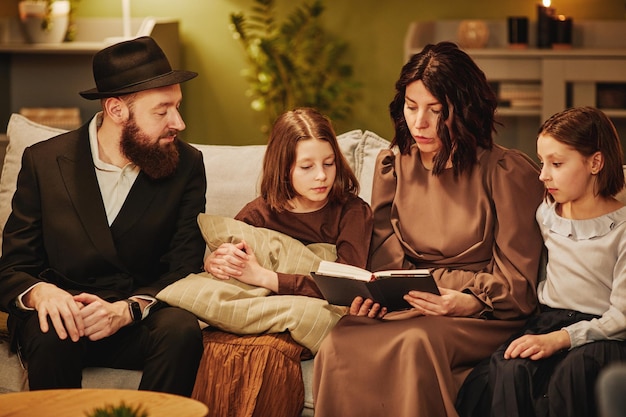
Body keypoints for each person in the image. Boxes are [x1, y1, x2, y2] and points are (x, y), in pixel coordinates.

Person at [312, 41, 545, 417]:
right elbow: (385, 261)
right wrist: (374, 295)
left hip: (479, 315)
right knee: (341, 340)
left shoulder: (507, 172)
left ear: (464, 110)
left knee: (414, 344)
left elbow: (519, 285)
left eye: (436, 111)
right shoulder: (393, 164)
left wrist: (468, 301)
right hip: (411, 304)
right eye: (411, 106)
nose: (418, 123)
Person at [0, 36, 207, 396]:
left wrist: (129, 309)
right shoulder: (44, 162)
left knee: (181, 329)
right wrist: (40, 294)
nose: (179, 122)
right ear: (116, 110)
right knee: (51, 332)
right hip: (65, 316)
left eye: (177, 106)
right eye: (163, 111)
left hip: (138, 317)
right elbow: (12, 268)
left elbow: (185, 265)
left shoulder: (187, 164)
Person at [192, 107, 373, 417]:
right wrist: (217, 264)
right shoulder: (258, 214)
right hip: (253, 319)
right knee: (220, 352)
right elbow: (230, 268)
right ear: (283, 167)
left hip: (297, 325)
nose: (321, 175)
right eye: (306, 166)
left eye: (329, 163)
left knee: (267, 356)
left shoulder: (351, 211)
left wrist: (267, 278)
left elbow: (346, 285)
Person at [458, 106, 626, 417]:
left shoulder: (623, 229)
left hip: (604, 334)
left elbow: (621, 318)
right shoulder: (546, 213)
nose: (543, 174)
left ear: (596, 162)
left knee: (573, 373)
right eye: (542, 162)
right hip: (549, 320)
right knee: (510, 369)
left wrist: (563, 339)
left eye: (557, 163)